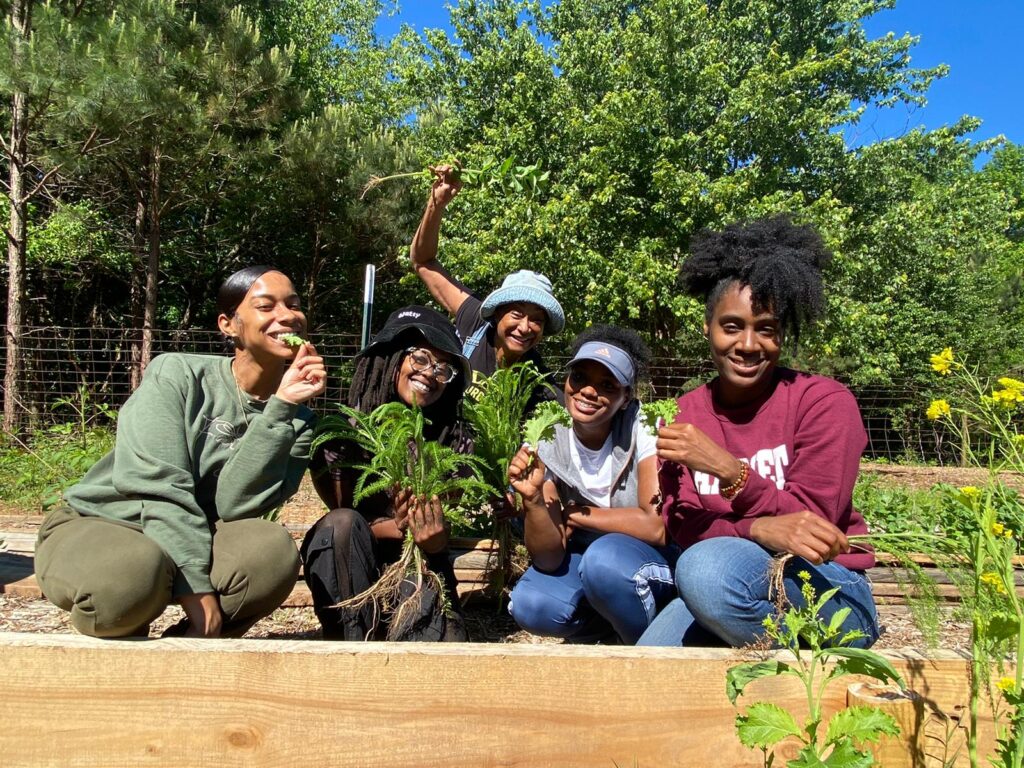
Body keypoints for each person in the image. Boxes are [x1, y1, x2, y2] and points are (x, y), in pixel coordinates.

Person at [34, 266, 326, 638]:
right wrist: (196, 590)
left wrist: (280, 407)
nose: (287, 316)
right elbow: (159, 486)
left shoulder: (297, 420)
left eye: (294, 305)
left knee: (271, 553)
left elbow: (236, 507)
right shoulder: (177, 374)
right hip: (106, 522)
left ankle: (191, 648)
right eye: (266, 306)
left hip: (197, 534)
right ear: (228, 325)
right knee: (131, 577)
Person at [637, 216, 879, 648]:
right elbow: (683, 524)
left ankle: (823, 658)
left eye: (765, 329)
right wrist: (758, 530)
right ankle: (767, 664)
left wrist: (732, 473)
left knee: (705, 570)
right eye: (732, 326)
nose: (748, 345)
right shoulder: (683, 414)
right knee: (649, 664)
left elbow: (811, 528)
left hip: (823, 582)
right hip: (723, 582)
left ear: (781, 334)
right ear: (708, 327)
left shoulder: (822, 402)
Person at [302, 305, 474, 641]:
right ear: (390, 357)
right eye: (421, 358)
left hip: (420, 561)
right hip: (353, 565)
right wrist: (395, 524)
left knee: (435, 650)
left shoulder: (453, 441)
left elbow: (441, 525)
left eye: (444, 368)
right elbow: (343, 517)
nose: (430, 373)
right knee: (340, 524)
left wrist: (433, 536)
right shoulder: (343, 434)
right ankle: (350, 641)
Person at [505, 325, 678, 644]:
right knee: (531, 604)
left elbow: (655, 527)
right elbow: (549, 559)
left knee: (604, 560)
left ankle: (647, 643)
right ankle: (606, 634)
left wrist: (574, 514)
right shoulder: (546, 436)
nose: (587, 391)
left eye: (607, 385)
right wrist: (533, 500)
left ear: (626, 398)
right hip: (590, 562)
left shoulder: (644, 426)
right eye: (579, 377)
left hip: (647, 560)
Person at [409, 164, 564, 403]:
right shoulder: (475, 320)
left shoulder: (540, 385)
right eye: (517, 314)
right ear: (498, 314)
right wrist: (436, 203)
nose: (525, 327)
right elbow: (423, 261)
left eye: (537, 320)